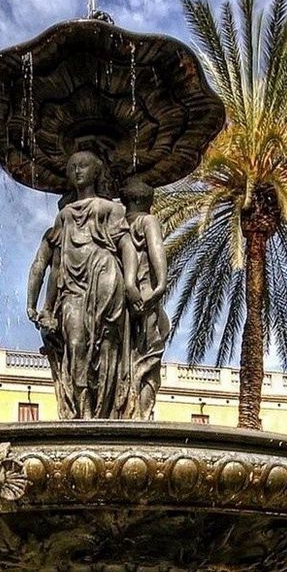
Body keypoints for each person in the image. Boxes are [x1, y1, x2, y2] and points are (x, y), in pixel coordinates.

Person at [26, 148, 140, 419]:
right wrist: (41, 305)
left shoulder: (110, 209)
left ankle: (108, 409)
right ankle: (84, 410)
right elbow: (49, 265)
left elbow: (126, 246)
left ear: (96, 171)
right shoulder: (64, 216)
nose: (77, 171)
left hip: (105, 276)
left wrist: (131, 283)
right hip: (73, 287)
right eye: (73, 166)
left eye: (84, 165)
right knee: (75, 342)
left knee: (107, 345)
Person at [119, 177, 170, 418]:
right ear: (148, 200)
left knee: (123, 357)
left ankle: (121, 408)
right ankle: (140, 415)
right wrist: (160, 285)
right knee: (149, 356)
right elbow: (156, 249)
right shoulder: (148, 221)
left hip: (120, 299)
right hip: (145, 295)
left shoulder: (114, 223)